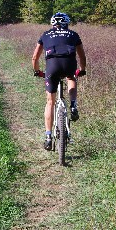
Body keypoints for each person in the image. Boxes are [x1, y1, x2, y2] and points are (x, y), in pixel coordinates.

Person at [32, 12, 86, 151]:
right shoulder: (73, 34)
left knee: (50, 102)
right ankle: (73, 105)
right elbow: (81, 55)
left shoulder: (45, 35)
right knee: (71, 77)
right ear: (66, 24)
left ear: (52, 23)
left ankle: (48, 137)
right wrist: (82, 69)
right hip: (69, 64)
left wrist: (37, 71)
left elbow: (35, 58)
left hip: (52, 66)